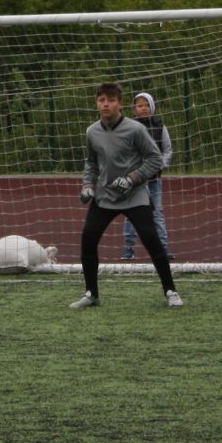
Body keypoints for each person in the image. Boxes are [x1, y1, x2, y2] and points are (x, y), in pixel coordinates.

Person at [72, 81, 182, 310]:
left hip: (135, 195)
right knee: (88, 239)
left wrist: (132, 178)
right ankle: (91, 294)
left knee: (151, 239)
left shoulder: (135, 129)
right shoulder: (92, 132)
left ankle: (171, 291)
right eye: (102, 100)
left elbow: (155, 159)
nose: (106, 104)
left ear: (119, 104)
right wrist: (87, 185)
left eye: (111, 100)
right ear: (97, 103)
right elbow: (91, 163)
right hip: (105, 196)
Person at [120, 91, 173, 261]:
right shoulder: (129, 127)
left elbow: (167, 151)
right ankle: (128, 250)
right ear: (134, 109)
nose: (143, 108)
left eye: (146, 105)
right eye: (139, 105)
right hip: (135, 181)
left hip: (154, 180)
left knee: (157, 213)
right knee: (131, 215)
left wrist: (159, 165)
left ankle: (163, 248)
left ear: (152, 106)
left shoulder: (160, 127)